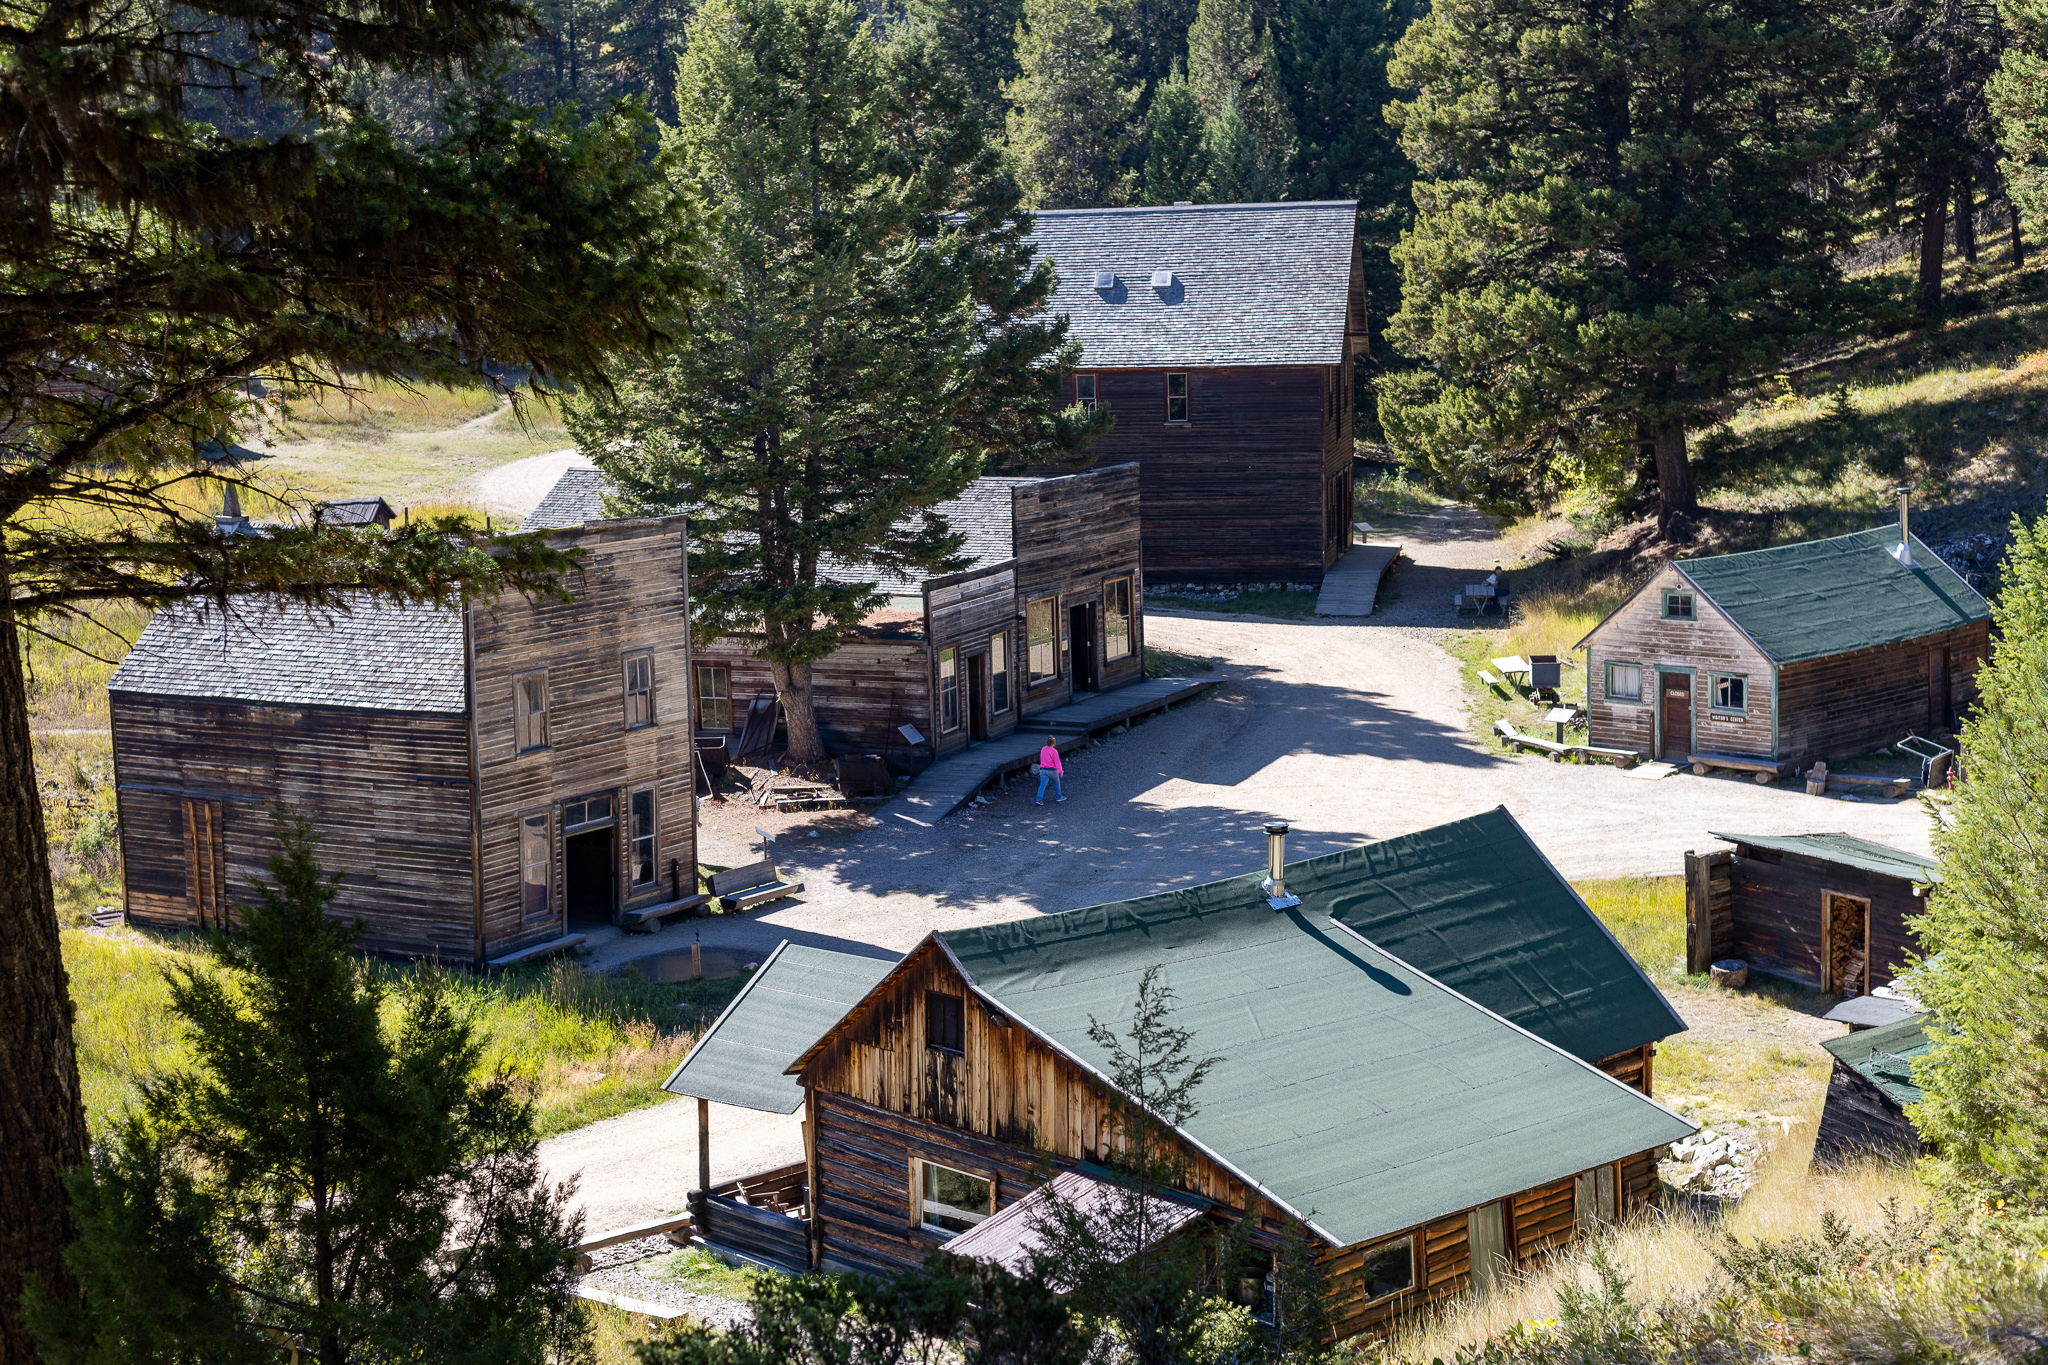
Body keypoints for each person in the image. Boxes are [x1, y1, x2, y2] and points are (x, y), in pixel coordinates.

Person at [1036, 737, 1066, 804]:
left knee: (1042, 785)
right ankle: (1059, 797)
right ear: (1054, 743)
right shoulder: (1054, 751)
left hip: (1043, 770)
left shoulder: (1043, 749)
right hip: (1052, 770)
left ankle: (1039, 800)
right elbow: (1057, 762)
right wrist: (1060, 771)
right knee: (1056, 783)